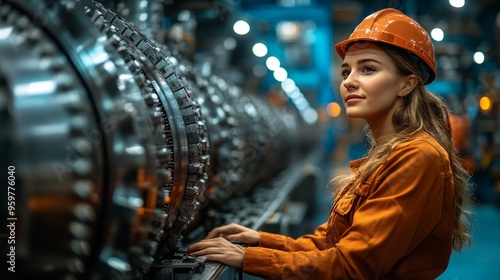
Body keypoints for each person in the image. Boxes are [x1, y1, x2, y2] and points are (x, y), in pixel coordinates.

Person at [187, 8, 473, 279]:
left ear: (406, 84)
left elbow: (351, 266)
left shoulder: (417, 157)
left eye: (368, 69)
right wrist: (260, 240)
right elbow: (330, 241)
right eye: (346, 71)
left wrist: (250, 259)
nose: (349, 81)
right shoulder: (387, 155)